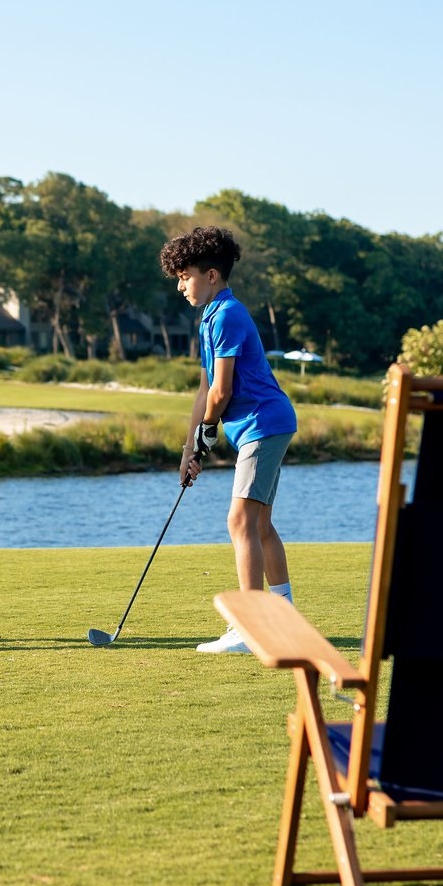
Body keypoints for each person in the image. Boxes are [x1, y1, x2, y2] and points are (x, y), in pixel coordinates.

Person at [160, 225, 299, 653]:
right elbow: (204, 391)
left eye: (186, 276)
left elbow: (221, 392)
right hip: (265, 424)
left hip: (262, 423)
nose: (181, 286)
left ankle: (252, 627)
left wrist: (207, 432)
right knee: (258, 524)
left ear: (212, 275)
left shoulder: (227, 315)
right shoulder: (210, 318)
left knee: (240, 522)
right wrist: (190, 449)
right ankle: (282, 618)